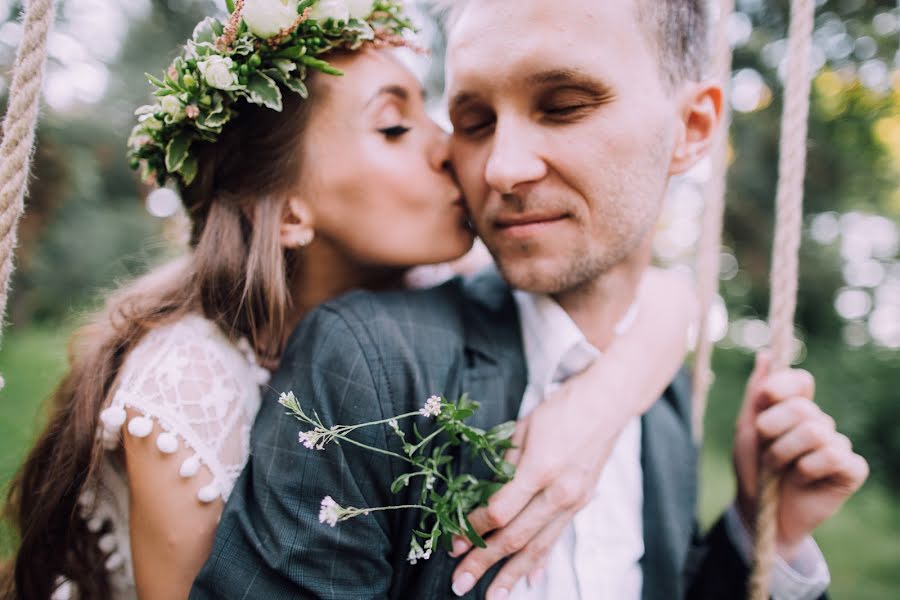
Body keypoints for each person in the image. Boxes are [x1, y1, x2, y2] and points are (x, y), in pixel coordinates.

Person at [1, 3, 695, 600]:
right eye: (395, 127)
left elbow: (660, 298)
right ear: (290, 212)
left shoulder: (438, 295)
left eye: (435, 114)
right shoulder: (190, 386)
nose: (458, 152)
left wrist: (601, 403)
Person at [192, 0, 869, 599]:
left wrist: (762, 533)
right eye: (475, 120)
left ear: (692, 128)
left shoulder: (662, 392)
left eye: (564, 105)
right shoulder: (369, 362)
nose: (502, 168)